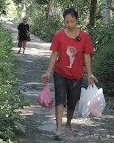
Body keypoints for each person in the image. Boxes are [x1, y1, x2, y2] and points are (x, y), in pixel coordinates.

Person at [41, 8, 98, 140]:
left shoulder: (84, 36)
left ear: (77, 20)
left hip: (77, 75)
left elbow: (87, 56)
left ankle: (68, 124)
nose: (70, 24)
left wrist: (90, 74)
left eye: (72, 21)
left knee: (72, 102)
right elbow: (54, 54)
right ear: (64, 21)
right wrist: (48, 73)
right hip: (60, 73)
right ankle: (59, 129)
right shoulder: (59, 35)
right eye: (67, 21)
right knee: (60, 100)